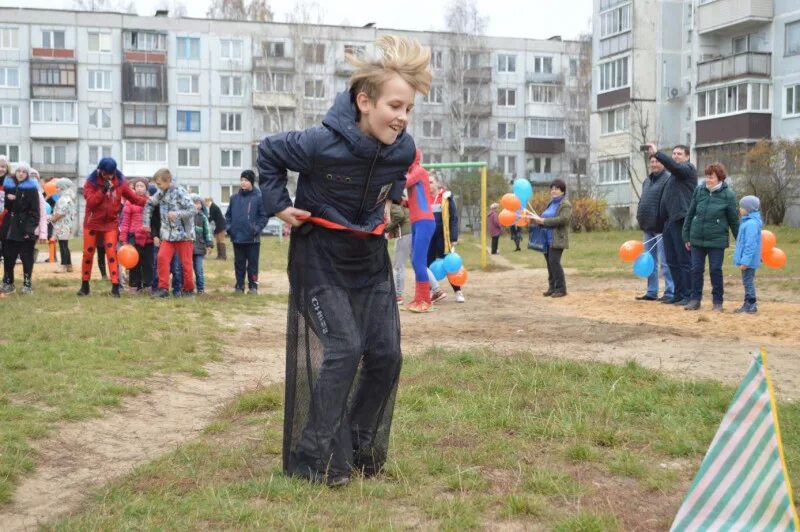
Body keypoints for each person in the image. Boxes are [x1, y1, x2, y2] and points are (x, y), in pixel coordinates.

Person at [257, 35, 431, 486]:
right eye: (395, 106)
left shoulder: (404, 149)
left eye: (408, 109)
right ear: (363, 101)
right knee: (343, 349)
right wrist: (278, 205)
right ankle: (314, 456)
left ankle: (353, 445)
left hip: (368, 259)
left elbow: (393, 185)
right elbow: (269, 152)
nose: (402, 117)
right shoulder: (318, 143)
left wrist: (390, 209)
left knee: (387, 355)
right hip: (319, 259)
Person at [77, 158, 146, 297]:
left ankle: (115, 286)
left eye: (111, 174)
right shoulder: (91, 183)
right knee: (88, 253)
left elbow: (134, 198)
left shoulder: (120, 182)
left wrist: (149, 202)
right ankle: (85, 285)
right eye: (106, 174)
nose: (109, 177)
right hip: (92, 222)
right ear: (100, 171)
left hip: (110, 223)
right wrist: (102, 191)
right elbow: (91, 202)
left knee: (112, 253)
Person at [681, 163, 739, 311]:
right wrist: (686, 235)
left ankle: (717, 302)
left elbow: (733, 220)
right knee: (696, 269)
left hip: (717, 240)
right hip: (697, 238)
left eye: (711, 176)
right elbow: (690, 213)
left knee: (715, 270)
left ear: (719, 178)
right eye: (706, 176)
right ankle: (695, 300)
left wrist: (740, 240)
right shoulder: (699, 191)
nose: (707, 179)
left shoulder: (728, 195)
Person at [647, 143, 696, 306]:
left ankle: (689, 295)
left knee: (684, 260)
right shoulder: (673, 176)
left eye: (679, 154)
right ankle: (678, 293)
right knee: (672, 260)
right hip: (669, 222)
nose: (675, 156)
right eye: (674, 153)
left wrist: (658, 154)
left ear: (687, 156)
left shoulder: (688, 170)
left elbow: (675, 168)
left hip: (681, 219)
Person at [143, 168, 196, 298]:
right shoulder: (161, 193)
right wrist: (146, 222)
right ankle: (163, 289)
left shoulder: (180, 192)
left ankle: (188, 290)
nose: (157, 187)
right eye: (156, 184)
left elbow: (193, 210)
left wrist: (177, 214)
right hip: (168, 236)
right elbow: (149, 204)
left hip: (184, 236)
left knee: (186, 263)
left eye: (159, 184)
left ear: (168, 181)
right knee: (161, 258)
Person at [635, 156, 674, 301]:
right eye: (651, 161)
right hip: (647, 227)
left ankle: (670, 292)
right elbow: (642, 200)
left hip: (662, 228)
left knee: (665, 262)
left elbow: (668, 203)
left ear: (663, 163)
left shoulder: (668, 180)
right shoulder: (646, 181)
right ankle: (651, 291)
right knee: (649, 261)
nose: (654, 164)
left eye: (657, 161)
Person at [225, 170, 268, 294]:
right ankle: (239, 286)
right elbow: (228, 216)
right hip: (237, 237)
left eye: (246, 180)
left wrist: (257, 229)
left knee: (253, 264)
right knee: (239, 263)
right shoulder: (234, 198)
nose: (243, 183)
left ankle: (253, 286)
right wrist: (230, 228)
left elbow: (263, 216)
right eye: (241, 180)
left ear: (251, 182)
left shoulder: (259, 197)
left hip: (252, 238)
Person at [1, 163, 41, 294]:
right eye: (19, 171)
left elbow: (35, 212)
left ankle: (27, 285)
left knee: (26, 257)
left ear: (27, 174)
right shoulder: (9, 186)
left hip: (25, 227)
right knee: (8, 257)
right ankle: (9, 283)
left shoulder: (32, 189)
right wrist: (10, 199)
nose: (21, 173)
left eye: (24, 171)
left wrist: (29, 230)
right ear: (15, 172)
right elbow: (7, 207)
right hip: (9, 226)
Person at [404, 149, 436, 312]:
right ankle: (419, 298)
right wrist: (404, 203)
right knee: (417, 262)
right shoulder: (413, 172)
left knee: (418, 261)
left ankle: (426, 300)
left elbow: (405, 183)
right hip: (418, 221)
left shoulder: (419, 171)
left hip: (424, 221)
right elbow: (416, 199)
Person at [531, 179, 572, 298]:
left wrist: (544, 221)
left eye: (557, 189)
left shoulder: (565, 205)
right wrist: (538, 221)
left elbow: (563, 220)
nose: (553, 191)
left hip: (557, 238)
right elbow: (545, 219)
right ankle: (552, 287)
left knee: (554, 262)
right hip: (546, 238)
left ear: (563, 191)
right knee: (549, 264)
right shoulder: (551, 203)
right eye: (552, 189)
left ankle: (561, 289)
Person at [428, 172, 464, 302]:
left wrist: (454, 238)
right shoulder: (424, 198)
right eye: (427, 183)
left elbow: (453, 218)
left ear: (438, 183)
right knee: (428, 264)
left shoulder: (446, 197)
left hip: (443, 237)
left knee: (449, 264)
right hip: (428, 237)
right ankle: (431, 292)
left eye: (431, 182)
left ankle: (458, 291)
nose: (429, 185)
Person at [119, 178, 154, 292]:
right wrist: (123, 238)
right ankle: (134, 285)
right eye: (137, 186)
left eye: (142, 186)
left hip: (148, 238)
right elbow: (125, 222)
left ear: (146, 188)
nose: (139, 188)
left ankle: (148, 285)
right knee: (134, 263)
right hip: (133, 237)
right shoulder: (129, 202)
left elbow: (154, 220)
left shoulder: (151, 202)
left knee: (148, 263)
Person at [733, 195, 762, 314]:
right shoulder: (748, 222)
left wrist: (745, 261)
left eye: (742, 207)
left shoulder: (751, 224)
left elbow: (750, 245)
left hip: (748, 261)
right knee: (747, 281)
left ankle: (751, 304)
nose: (740, 209)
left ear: (748, 209)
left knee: (748, 281)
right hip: (748, 260)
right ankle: (747, 303)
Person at [385, 196, 411, 304]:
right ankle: (436, 289)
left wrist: (386, 228)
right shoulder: (401, 203)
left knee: (398, 265)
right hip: (410, 233)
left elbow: (399, 216)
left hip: (404, 235)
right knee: (417, 264)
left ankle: (398, 295)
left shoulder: (391, 203)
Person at [50, 178, 76, 273]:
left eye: (57, 187)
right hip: (67, 225)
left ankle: (63, 265)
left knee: (63, 246)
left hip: (62, 225)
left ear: (62, 188)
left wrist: (52, 218)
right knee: (65, 245)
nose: (56, 189)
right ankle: (69, 265)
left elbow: (61, 213)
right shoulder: (69, 198)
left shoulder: (63, 199)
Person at [191, 194, 214, 294]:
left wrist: (209, 244)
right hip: (187, 248)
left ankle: (200, 288)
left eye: (199, 203)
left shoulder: (203, 217)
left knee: (199, 269)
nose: (197, 205)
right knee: (185, 269)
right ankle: (187, 288)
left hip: (199, 248)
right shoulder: (186, 216)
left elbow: (207, 232)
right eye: (195, 203)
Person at [205, 196, 227, 260]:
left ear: (208, 201)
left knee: (221, 240)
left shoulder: (213, 207)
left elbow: (211, 217)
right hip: (218, 226)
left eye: (205, 202)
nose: (205, 204)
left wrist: (205, 221)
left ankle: (223, 256)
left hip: (221, 226)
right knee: (218, 241)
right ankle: (219, 256)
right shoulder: (212, 207)